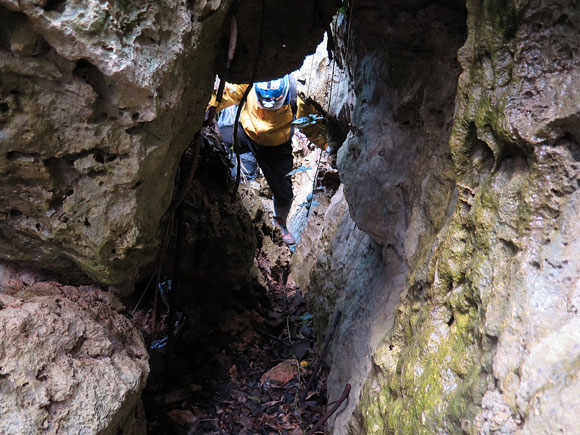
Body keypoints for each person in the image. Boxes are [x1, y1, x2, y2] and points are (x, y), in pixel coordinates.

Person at [208, 75, 298, 245]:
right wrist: (206, 106)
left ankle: (280, 224)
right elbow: (228, 96)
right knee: (221, 138)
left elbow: (309, 120)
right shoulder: (249, 82)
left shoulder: (294, 94)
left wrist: (324, 144)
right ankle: (240, 190)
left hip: (276, 146)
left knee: (284, 193)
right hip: (247, 134)